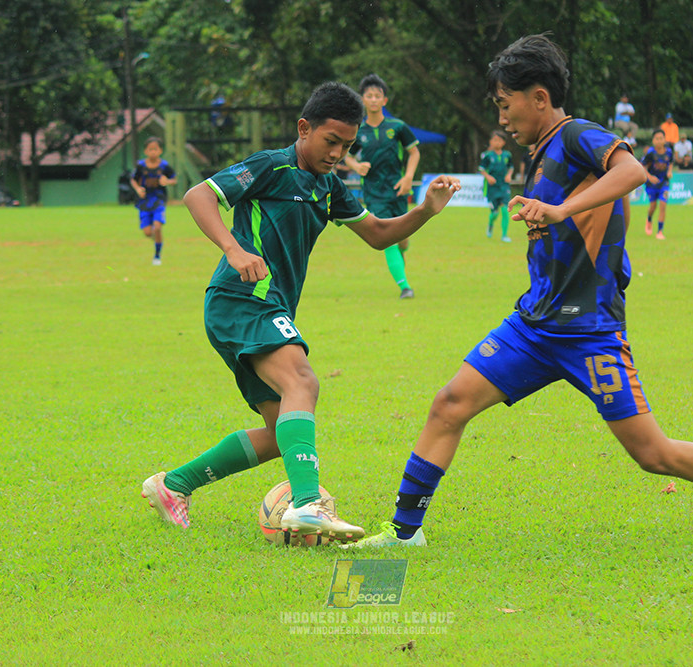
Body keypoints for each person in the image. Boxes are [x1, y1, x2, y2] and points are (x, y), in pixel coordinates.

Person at [351, 34, 693, 550]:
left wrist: (557, 211)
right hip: (533, 325)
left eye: (507, 105)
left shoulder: (576, 136)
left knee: (652, 453)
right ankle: (404, 533)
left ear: (540, 99)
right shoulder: (542, 151)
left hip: (590, 331)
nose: (502, 119)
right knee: (449, 404)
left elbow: (632, 171)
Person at [140, 82, 461, 541]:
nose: (337, 154)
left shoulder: (328, 187)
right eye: (331, 142)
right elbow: (198, 195)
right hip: (242, 298)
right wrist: (233, 249)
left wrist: (426, 210)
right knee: (303, 381)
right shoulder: (272, 166)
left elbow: (378, 233)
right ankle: (309, 504)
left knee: (280, 434)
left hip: (257, 306)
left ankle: (174, 486)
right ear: (304, 128)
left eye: (347, 146)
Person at [343, 74, 421, 299]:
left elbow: (414, 151)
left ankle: (400, 257)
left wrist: (408, 178)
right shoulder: (357, 130)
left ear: (385, 100)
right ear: (363, 100)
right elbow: (345, 155)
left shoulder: (397, 127)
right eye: (369, 96)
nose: (374, 100)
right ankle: (405, 287)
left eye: (378, 96)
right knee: (387, 237)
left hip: (397, 190)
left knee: (402, 240)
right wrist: (356, 166)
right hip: (374, 193)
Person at [131, 136, 177, 265]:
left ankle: (157, 256)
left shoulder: (164, 166)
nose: (153, 152)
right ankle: (158, 240)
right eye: (150, 149)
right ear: (145, 151)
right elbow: (133, 179)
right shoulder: (140, 166)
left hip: (159, 200)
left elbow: (174, 179)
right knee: (147, 232)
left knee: (157, 228)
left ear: (160, 151)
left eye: (155, 149)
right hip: (144, 202)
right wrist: (138, 189)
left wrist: (167, 181)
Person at [478, 129, 515, 242]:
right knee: (494, 213)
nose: (497, 143)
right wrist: (488, 177)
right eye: (494, 140)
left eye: (499, 140)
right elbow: (481, 169)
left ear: (503, 142)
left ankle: (504, 235)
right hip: (492, 188)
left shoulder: (507, 155)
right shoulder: (488, 156)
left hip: (504, 186)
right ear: (490, 142)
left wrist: (509, 175)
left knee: (505, 209)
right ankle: (490, 224)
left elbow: (511, 167)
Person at [642, 129, 673, 239]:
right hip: (651, 185)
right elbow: (643, 167)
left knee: (663, 205)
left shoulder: (669, 152)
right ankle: (649, 219)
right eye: (657, 138)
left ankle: (660, 232)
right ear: (653, 140)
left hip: (664, 182)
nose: (659, 141)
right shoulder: (650, 154)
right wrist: (650, 177)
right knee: (653, 206)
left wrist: (669, 171)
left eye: (661, 138)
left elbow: (671, 163)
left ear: (664, 140)